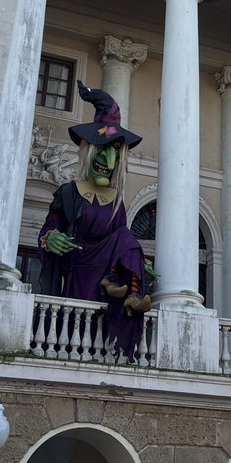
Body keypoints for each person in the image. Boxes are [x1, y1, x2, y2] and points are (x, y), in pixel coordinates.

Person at [38, 84, 151, 362]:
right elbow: (49, 228)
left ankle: (128, 290)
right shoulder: (69, 192)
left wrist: (139, 262)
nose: (108, 159)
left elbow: (120, 240)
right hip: (78, 267)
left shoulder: (116, 201)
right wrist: (50, 238)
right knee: (126, 240)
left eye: (115, 152)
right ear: (88, 150)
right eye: (102, 149)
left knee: (127, 238)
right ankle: (120, 286)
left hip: (105, 271)